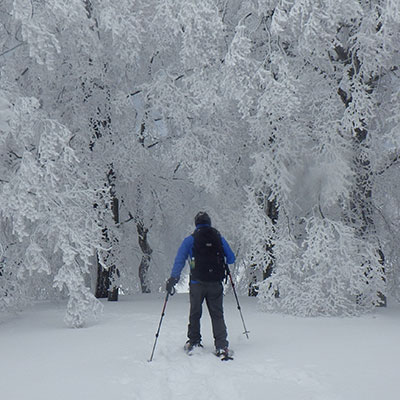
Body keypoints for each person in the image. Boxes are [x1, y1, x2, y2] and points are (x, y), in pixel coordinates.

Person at [166, 211, 236, 357]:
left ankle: (194, 342)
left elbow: (179, 260)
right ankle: (222, 346)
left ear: (196, 224)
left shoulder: (190, 240)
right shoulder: (218, 238)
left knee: (195, 313)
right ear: (209, 223)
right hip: (215, 283)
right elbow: (231, 259)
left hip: (197, 282)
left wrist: (174, 278)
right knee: (217, 314)